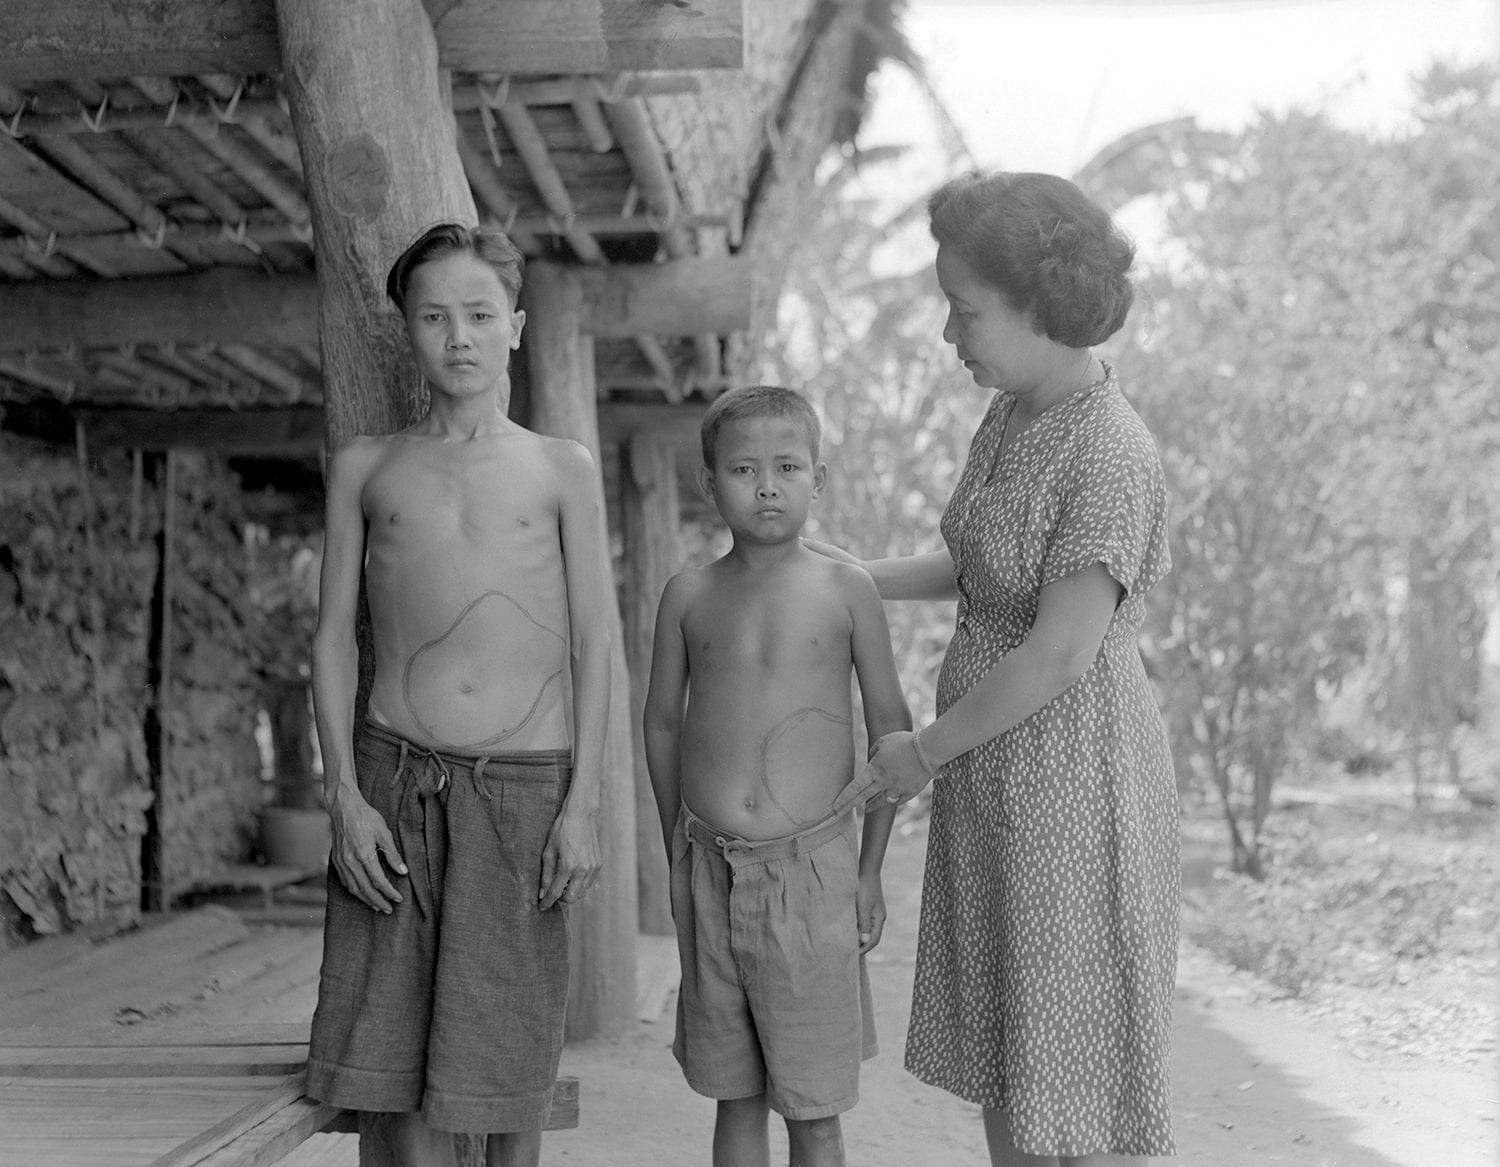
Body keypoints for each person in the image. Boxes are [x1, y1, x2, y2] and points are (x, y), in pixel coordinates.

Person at [809, 172, 1178, 1165]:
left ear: (1041, 309)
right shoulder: (1013, 416)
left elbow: (1058, 654)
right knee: (1015, 1064)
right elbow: (980, 567)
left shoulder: (1110, 455)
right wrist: (841, 576)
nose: (947, 336)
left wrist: (919, 753)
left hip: (1070, 789)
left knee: (1062, 1071)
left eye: (965, 313)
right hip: (996, 776)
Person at [304, 222, 613, 1167]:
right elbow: (331, 637)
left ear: (516, 326)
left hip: (524, 790)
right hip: (393, 784)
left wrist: (585, 803)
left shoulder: (561, 466)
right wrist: (343, 799)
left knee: (511, 1068)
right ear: (407, 329)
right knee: (392, 1078)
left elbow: (599, 641)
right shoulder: (369, 465)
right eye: (434, 316)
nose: (459, 336)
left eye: (480, 314)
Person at [642, 385, 912, 1167]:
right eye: (744, 468)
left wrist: (869, 871)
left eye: (788, 466)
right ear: (709, 483)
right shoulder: (687, 595)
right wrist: (674, 848)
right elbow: (662, 721)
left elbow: (890, 734)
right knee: (736, 1096)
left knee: (814, 1109)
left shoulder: (846, 589)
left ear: (818, 480)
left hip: (814, 877)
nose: (766, 484)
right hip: (710, 869)